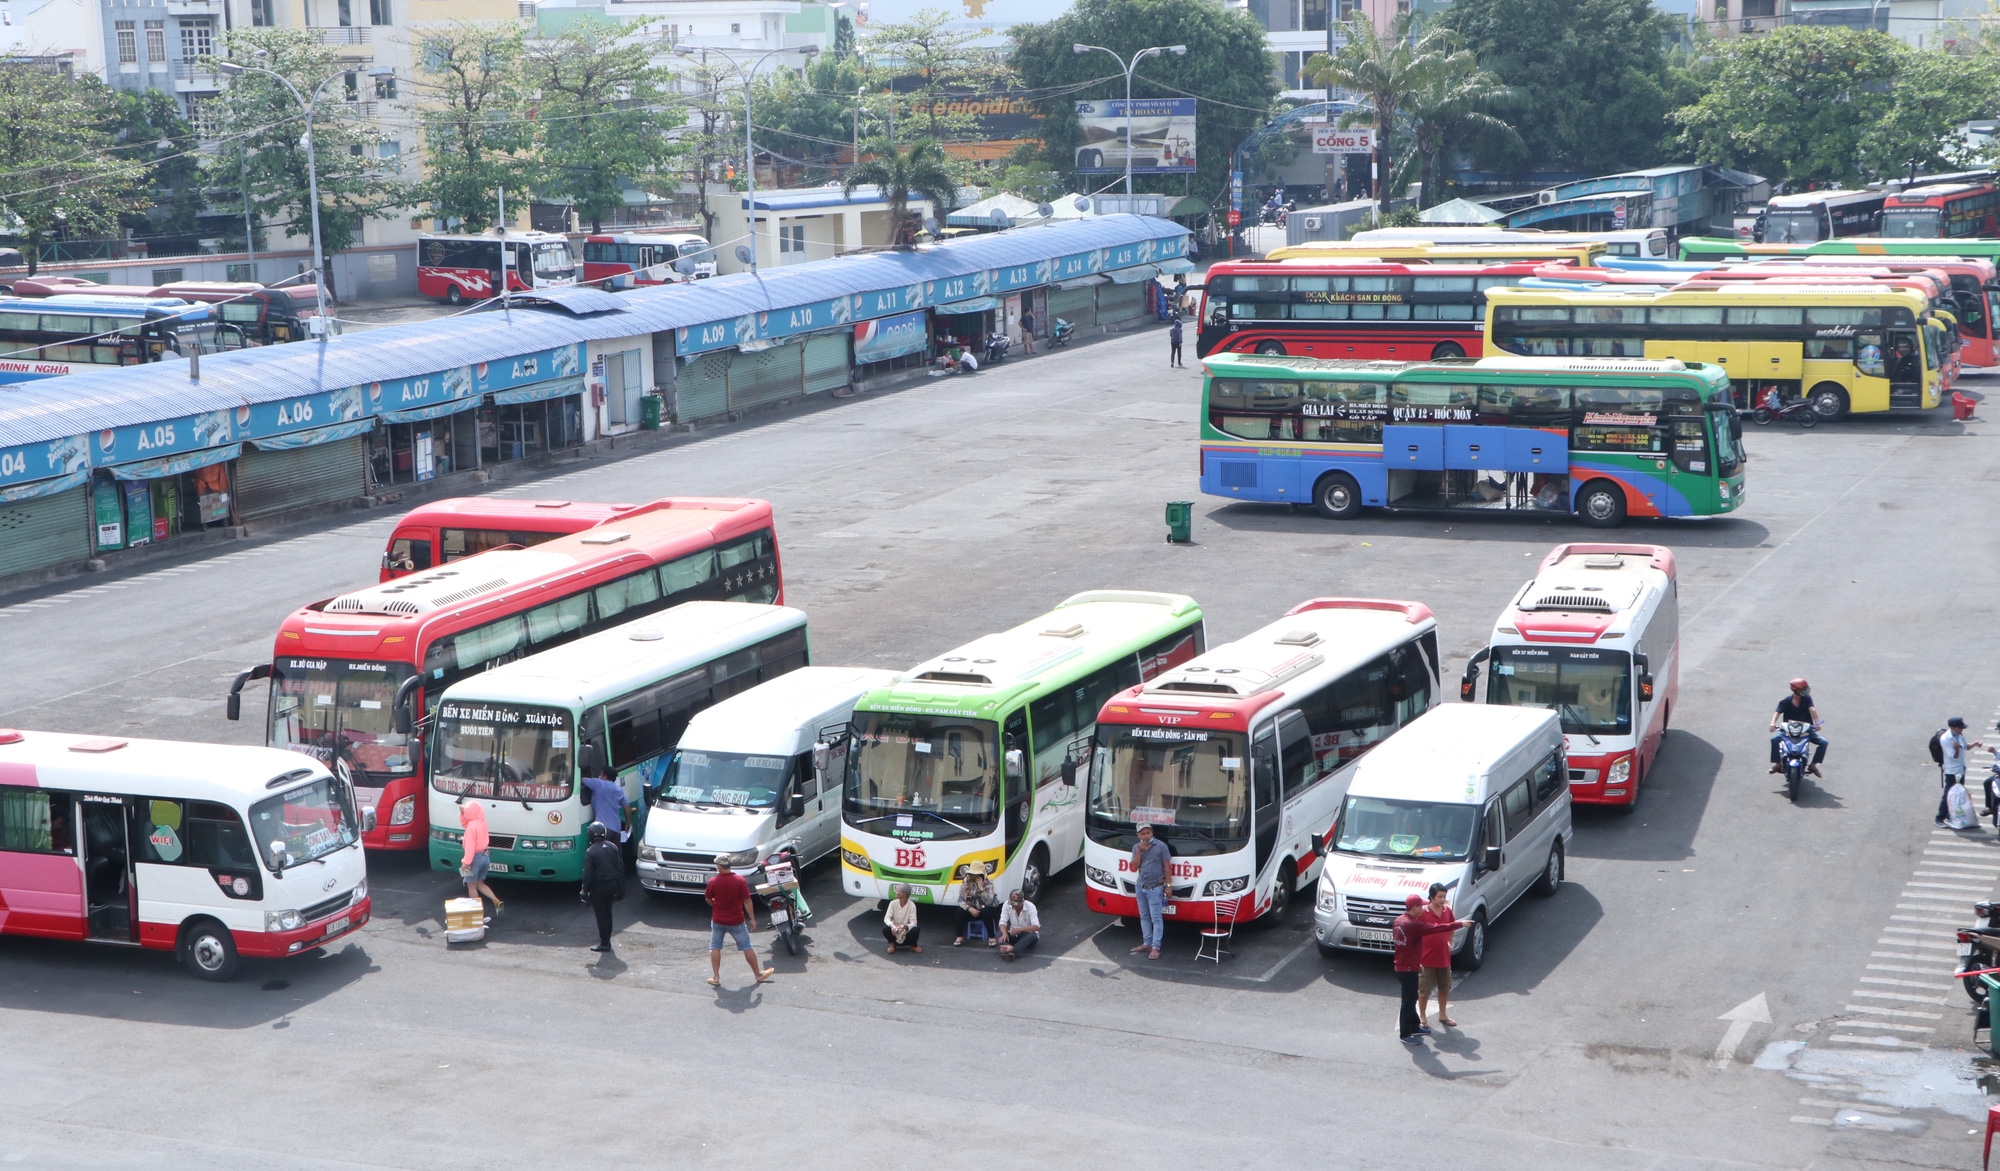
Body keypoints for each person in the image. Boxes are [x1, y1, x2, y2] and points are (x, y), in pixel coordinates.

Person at [1392, 893, 1468, 1045]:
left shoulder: (1400, 921)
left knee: (1412, 997)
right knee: (1408, 1001)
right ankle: (1405, 1034)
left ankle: (1414, 1026)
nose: (1424, 908)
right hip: (1407, 969)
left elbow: (1408, 947)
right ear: (1415, 908)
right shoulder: (1413, 925)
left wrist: (1416, 963)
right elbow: (1436, 928)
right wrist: (1460, 924)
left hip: (1405, 965)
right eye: (1421, 906)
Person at [704, 854, 773, 986]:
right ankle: (758, 974)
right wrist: (752, 919)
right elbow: (747, 900)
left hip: (718, 920)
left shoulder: (713, 882)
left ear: (719, 867)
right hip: (737, 921)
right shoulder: (739, 881)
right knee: (747, 947)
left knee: (715, 947)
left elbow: (708, 898)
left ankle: (716, 977)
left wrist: (715, 905)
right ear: (729, 865)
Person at [1416, 883, 1461, 1029]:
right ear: (1431, 897)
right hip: (1426, 958)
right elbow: (1414, 933)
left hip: (1443, 958)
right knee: (1424, 990)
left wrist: (1449, 941)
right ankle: (1422, 1016)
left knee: (1444, 987)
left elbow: (1452, 926)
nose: (1443, 900)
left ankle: (1443, 1014)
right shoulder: (1422, 912)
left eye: (1444, 896)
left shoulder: (1447, 910)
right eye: (1440, 897)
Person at [578, 821, 622, 952]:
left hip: (599, 887)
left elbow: (588, 873)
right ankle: (607, 940)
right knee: (608, 913)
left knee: (601, 916)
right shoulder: (613, 847)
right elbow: (618, 866)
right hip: (612, 885)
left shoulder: (591, 851)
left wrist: (584, 890)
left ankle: (604, 943)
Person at [1130, 822, 1172, 960]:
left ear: (1152, 832)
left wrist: (1169, 886)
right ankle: (1146, 943)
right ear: (1138, 835)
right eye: (1143, 834)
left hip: (1156, 887)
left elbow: (1167, 867)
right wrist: (1140, 851)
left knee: (1156, 918)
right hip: (1141, 886)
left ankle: (1155, 946)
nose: (1146, 836)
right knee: (1144, 916)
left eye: (1148, 833)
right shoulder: (1137, 847)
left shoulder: (1161, 846)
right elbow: (1134, 866)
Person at [1768, 678, 1826, 777]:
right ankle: (1778, 764)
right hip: (1788, 731)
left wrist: (1817, 723)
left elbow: (1813, 710)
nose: (1805, 691)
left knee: (1823, 742)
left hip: (1805, 730)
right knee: (1774, 740)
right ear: (1796, 691)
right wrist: (1772, 723)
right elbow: (1777, 712)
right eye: (1803, 690)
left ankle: (1813, 765)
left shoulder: (1807, 699)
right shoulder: (1785, 701)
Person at [458, 800, 502, 922]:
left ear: (471, 813)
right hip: (485, 857)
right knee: (480, 884)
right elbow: (466, 824)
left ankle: (477, 916)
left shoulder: (472, 827)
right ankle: (495, 900)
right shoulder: (481, 823)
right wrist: (462, 813)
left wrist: (465, 862)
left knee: (471, 886)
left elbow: (470, 847)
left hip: (475, 858)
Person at [1938, 717, 1985, 828]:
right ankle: (1939, 817)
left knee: (1959, 794)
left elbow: (1966, 746)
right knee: (1949, 794)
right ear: (1953, 727)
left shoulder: (1959, 735)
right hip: (1952, 771)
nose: (1962, 730)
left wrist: (1975, 744)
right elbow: (1954, 757)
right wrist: (1957, 748)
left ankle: (1952, 815)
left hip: (1961, 769)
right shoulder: (1945, 739)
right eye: (1960, 728)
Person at [954, 860, 999, 947]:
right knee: (959, 911)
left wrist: (981, 889)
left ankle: (991, 937)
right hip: (972, 909)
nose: (975, 877)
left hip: (986, 909)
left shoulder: (989, 883)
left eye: (977, 875)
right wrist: (970, 909)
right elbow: (960, 900)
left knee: (987, 911)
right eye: (973, 874)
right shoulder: (966, 882)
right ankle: (959, 936)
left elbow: (989, 902)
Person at [579, 771, 627, 843]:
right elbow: (627, 807)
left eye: (600, 775)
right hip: (616, 829)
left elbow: (581, 780)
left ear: (605, 776)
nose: (600, 776)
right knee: (615, 852)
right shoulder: (618, 790)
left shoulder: (598, 783)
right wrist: (628, 823)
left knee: (600, 852)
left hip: (602, 830)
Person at [998, 888, 1040, 958]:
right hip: (1013, 934)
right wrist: (1005, 933)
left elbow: (1036, 926)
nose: (1014, 907)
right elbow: (1002, 921)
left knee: (1033, 935)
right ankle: (1008, 948)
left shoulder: (1031, 906)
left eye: (1016, 905)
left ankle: (1012, 949)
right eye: (1012, 905)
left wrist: (1020, 930)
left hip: (1026, 934)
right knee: (999, 933)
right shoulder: (1006, 904)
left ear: (1022, 901)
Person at [883, 884, 922, 954]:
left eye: (898, 891)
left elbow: (913, 923)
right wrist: (893, 926)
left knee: (915, 930)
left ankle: (913, 946)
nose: (896, 892)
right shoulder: (893, 903)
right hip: (894, 932)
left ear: (904, 894)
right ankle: (892, 944)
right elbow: (887, 918)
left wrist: (905, 927)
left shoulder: (912, 905)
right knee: (885, 929)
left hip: (906, 932)